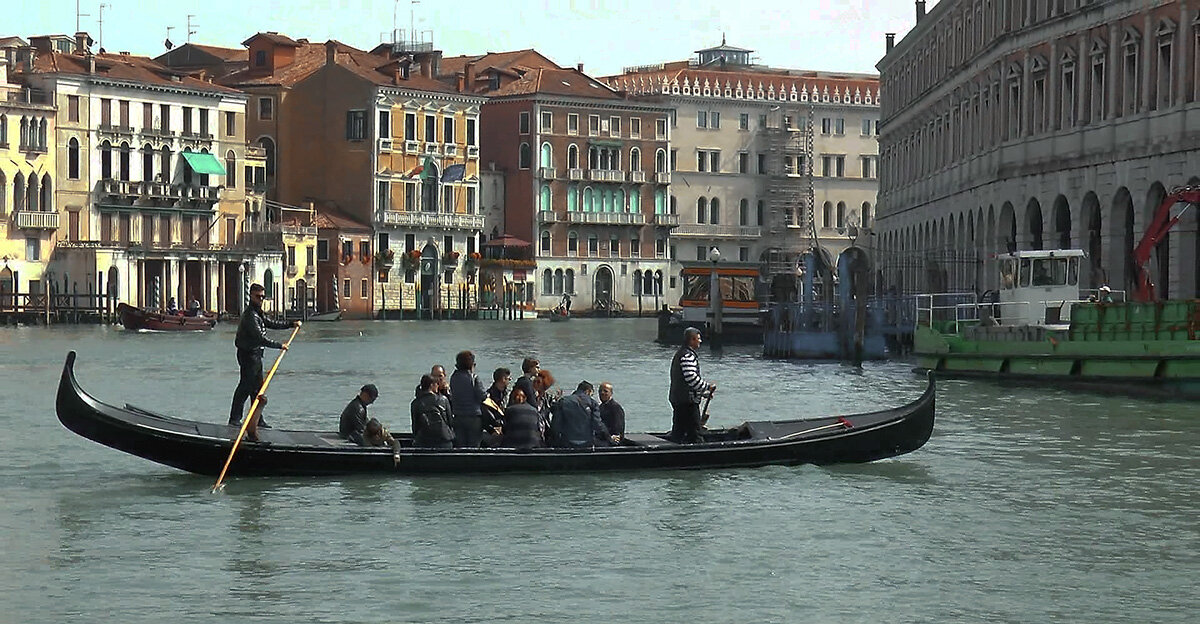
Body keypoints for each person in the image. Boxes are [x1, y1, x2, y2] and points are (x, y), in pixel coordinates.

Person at [229, 283, 300, 428]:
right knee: (245, 386)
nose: (261, 299)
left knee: (258, 389)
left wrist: (290, 324)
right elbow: (260, 338)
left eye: (262, 297)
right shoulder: (250, 316)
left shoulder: (258, 313)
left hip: (256, 354)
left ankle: (257, 419)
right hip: (248, 355)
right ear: (251, 296)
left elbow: (270, 323)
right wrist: (280, 345)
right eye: (258, 296)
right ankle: (235, 419)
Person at [668, 327, 716, 443]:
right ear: (692, 340)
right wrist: (707, 387)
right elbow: (691, 378)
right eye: (698, 339)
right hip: (687, 402)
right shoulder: (688, 356)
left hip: (679, 398)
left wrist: (702, 393)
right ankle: (699, 453)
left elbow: (687, 381)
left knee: (679, 430)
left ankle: (675, 449)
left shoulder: (680, 354)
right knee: (695, 432)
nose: (700, 341)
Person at [549, 380, 608, 448]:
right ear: (588, 391)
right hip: (587, 443)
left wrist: (555, 442)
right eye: (591, 394)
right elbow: (597, 424)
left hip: (567, 443)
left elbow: (556, 425)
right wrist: (609, 438)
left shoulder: (563, 401)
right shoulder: (592, 403)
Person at [449, 350, 489, 447]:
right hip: (473, 417)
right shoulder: (474, 378)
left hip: (458, 416)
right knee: (474, 446)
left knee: (460, 446)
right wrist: (487, 394)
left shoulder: (453, 377)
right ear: (471, 364)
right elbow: (482, 396)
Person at [411, 374, 454, 448]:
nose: (438, 386)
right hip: (444, 440)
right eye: (437, 384)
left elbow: (415, 426)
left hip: (423, 441)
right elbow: (450, 422)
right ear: (432, 385)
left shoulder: (415, 403)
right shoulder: (443, 399)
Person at [482, 367, 511, 432]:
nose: (509, 381)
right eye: (509, 379)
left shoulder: (509, 394)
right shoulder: (488, 396)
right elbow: (485, 415)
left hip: (506, 426)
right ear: (503, 379)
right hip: (492, 429)